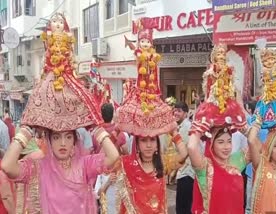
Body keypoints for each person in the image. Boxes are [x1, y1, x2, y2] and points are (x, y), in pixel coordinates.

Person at [1, 13, 120, 214]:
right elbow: (7, 165)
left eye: (67, 137)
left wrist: (94, 127)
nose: (62, 143)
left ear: (75, 140)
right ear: (48, 139)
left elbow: (113, 156)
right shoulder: (38, 167)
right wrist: (28, 128)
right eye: (56, 137)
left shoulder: (84, 164)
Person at [115, 18, 187, 213]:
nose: (148, 145)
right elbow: (110, 155)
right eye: (143, 140)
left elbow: (184, 153)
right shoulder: (126, 164)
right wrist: (116, 129)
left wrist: (173, 130)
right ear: (136, 143)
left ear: (157, 143)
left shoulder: (163, 164)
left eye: (152, 140)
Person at [188, 43, 248, 213]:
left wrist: (243, 125)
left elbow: (255, 146)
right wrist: (201, 124)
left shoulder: (236, 162)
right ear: (211, 144)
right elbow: (192, 146)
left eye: (229, 141)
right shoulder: (205, 167)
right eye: (221, 142)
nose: (227, 146)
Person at [173, 101, 193, 214]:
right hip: (184, 172)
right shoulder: (181, 126)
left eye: (179, 111)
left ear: (186, 114)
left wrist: (173, 168)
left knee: (183, 208)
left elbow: (183, 153)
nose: (176, 113)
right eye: (175, 110)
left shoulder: (186, 127)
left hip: (187, 172)